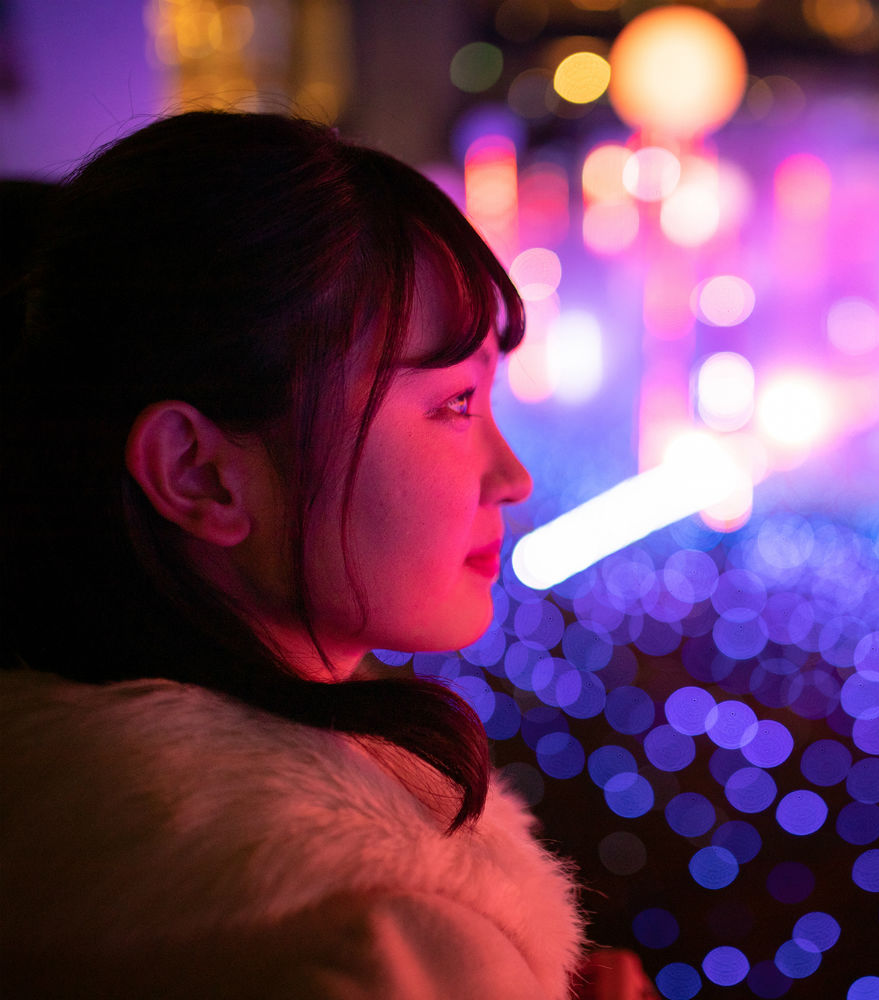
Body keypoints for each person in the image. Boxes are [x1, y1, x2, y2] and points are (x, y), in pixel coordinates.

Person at [0, 111, 588, 998]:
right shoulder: (388, 940)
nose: (511, 476)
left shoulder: (56, 813)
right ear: (200, 473)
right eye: (454, 404)